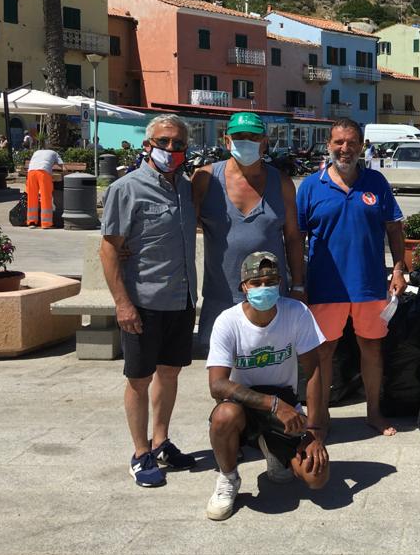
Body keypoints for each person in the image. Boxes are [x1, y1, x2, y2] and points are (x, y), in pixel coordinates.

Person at [100, 114, 198, 487]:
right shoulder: (126, 189)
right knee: (139, 378)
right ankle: (141, 454)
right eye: (164, 142)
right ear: (148, 145)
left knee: (169, 373)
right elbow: (109, 250)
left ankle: (161, 441)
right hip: (142, 301)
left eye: (178, 144)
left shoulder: (187, 189)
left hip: (181, 298)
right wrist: (122, 304)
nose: (171, 149)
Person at [296, 118, 407, 436]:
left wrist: (398, 268)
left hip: (369, 285)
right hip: (324, 287)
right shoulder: (310, 186)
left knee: (371, 348)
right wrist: (298, 283)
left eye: (352, 143)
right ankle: (319, 419)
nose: (345, 149)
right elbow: (296, 237)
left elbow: (395, 227)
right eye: (338, 142)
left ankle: (374, 413)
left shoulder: (376, 182)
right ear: (329, 145)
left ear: (362, 146)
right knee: (323, 353)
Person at [205, 251, 330, 521]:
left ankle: (275, 452)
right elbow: (217, 385)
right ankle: (228, 478)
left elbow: (314, 370)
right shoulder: (228, 321)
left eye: (271, 282)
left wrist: (314, 431)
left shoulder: (296, 313)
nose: (265, 288)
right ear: (244, 287)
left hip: (285, 403)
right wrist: (273, 404)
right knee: (224, 416)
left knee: (317, 477)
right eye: (257, 283)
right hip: (243, 404)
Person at [193, 112, 305, 349]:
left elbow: (293, 238)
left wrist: (298, 285)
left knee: (270, 364)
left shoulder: (282, 183)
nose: (246, 142)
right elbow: (182, 226)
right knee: (222, 376)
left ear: (264, 142)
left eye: (253, 137)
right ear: (227, 141)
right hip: (220, 298)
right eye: (239, 136)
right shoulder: (205, 179)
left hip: (270, 295)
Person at [25, 147, 63, 228]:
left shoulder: (37, 151)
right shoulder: (54, 153)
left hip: (31, 173)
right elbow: (62, 166)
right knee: (45, 196)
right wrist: (66, 175)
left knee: (32, 197)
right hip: (43, 173)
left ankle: (32, 222)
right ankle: (46, 223)